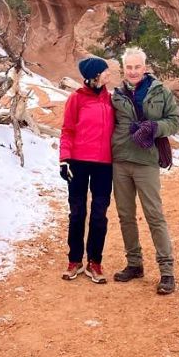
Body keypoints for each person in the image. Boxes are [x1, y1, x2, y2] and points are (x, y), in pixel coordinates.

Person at [110, 46, 179, 295]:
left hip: (146, 161)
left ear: (145, 67)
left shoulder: (160, 92)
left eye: (137, 66)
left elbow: (175, 120)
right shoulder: (115, 94)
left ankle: (167, 271)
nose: (133, 71)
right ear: (124, 68)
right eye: (129, 67)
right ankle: (134, 264)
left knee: (154, 215)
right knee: (125, 215)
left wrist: (154, 127)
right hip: (120, 160)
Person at [59, 55, 115, 284]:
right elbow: (67, 130)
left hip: (104, 164)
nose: (108, 74)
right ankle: (74, 260)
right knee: (77, 212)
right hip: (78, 163)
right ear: (94, 76)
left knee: (99, 214)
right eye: (105, 71)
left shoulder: (111, 100)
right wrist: (64, 159)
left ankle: (95, 261)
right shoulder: (76, 99)